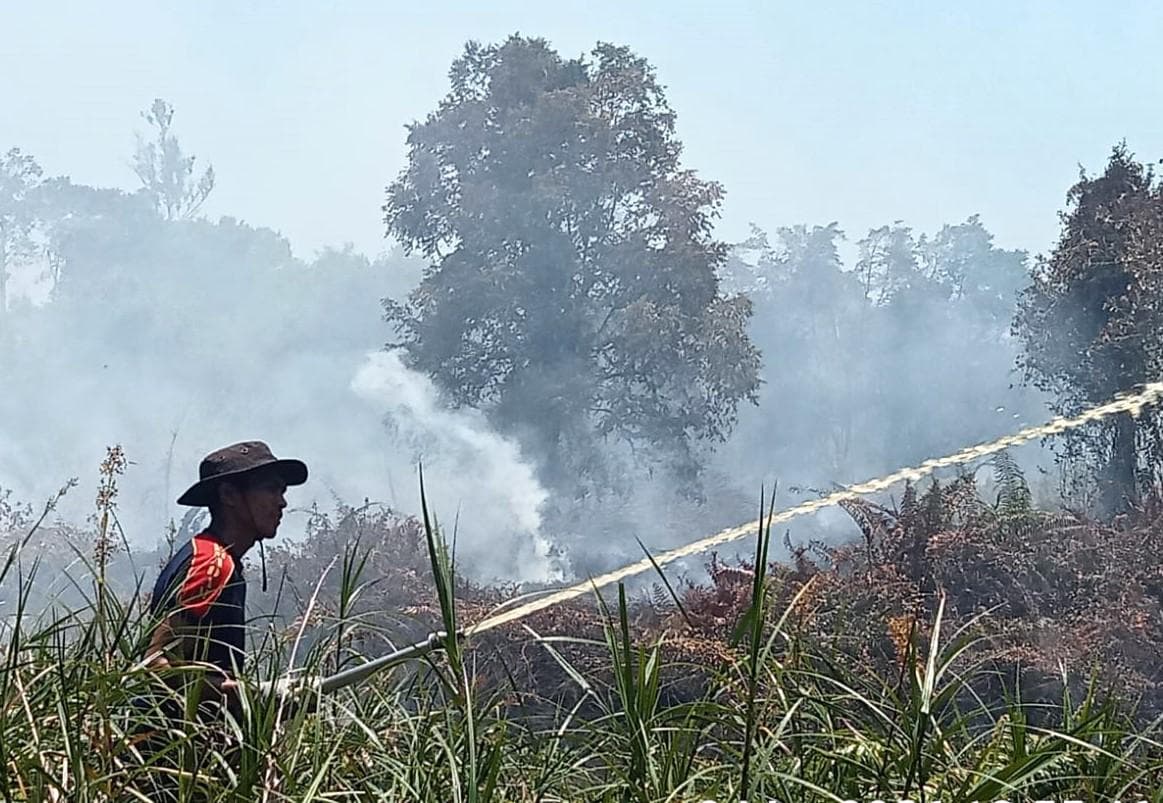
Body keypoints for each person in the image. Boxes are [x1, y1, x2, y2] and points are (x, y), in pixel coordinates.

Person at [137, 440, 307, 720]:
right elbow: (157, 666)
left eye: (282, 491)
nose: (282, 502)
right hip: (171, 743)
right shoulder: (211, 563)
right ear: (229, 494)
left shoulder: (216, 559)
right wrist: (256, 695)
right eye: (270, 489)